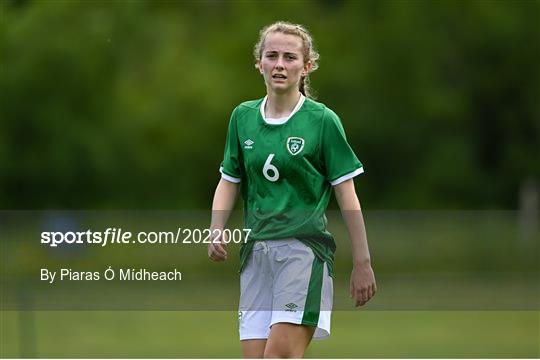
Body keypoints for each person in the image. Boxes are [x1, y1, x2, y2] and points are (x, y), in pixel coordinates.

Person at [208, 21, 376, 358]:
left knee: (279, 357)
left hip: (303, 253)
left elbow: (347, 195)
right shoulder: (242, 118)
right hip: (256, 254)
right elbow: (230, 179)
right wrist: (215, 228)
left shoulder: (322, 121)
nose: (280, 65)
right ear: (259, 63)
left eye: (289, 57)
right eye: (271, 56)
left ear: (307, 65)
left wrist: (363, 262)